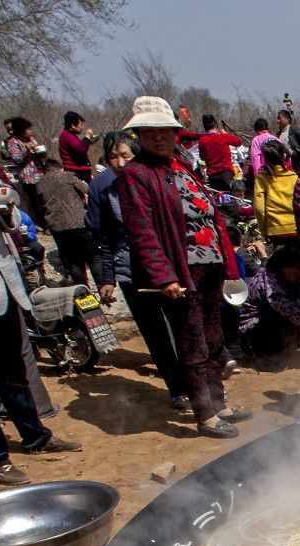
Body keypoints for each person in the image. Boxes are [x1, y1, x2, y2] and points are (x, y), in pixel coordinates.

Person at [118, 95, 251, 438]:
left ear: (175, 133)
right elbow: (142, 230)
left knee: (213, 336)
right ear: (140, 136)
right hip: (181, 271)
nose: (158, 137)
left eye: (164, 131)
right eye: (150, 132)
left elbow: (208, 211)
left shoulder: (181, 165)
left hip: (209, 264)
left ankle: (220, 403)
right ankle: (205, 414)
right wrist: (163, 275)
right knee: (192, 343)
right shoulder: (137, 174)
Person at [87, 131, 191, 409]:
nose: (119, 162)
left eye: (125, 155)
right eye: (112, 157)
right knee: (154, 334)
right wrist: (107, 278)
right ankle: (176, 388)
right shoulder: (105, 190)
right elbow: (106, 240)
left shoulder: (156, 180)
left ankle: (198, 384)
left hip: (167, 268)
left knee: (183, 328)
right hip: (130, 273)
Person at [0, 189, 81, 486]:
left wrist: (8, 210)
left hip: (6, 292)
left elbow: (15, 213)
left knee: (15, 372)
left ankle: (35, 436)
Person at [238, 243, 300, 359]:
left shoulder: (276, 275)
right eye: (298, 268)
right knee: (281, 317)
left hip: (260, 327)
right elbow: (297, 316)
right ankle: (266, 356)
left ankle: (285, 349)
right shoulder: (271, 286)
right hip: (251, 333)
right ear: (285, 267)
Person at [37, 159, 92, 284]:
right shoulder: (68, 176)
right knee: (94, 257)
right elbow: (87, 190)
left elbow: (40, 207)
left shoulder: (40, 183)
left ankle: (83, 289)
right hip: (78, 223)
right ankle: (102, 287)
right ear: (60, 167)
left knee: (72, 262)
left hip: (57, 227)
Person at [252, 139, 298, 248]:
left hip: (275, 230)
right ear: (283, 156)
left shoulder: (262, 177)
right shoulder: (293, 176)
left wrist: (264, 231)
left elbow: (259, 208)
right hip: (295, 228)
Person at [5, 117, 48, 227]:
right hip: (27, 176)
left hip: (39, 172)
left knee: (44, 199)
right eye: (28, 129)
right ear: (21, 130)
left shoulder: (31, 139)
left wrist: (40, 152)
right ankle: (41, 224)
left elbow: (38, 152)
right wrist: (27, 150)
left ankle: (48, 220)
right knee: (34, 202)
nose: (30, 131)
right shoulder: (12, 142)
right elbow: (17, 159)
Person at [198, 115, 243, 191]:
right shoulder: (223, 136)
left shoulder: (202, 140)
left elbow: (202, 157)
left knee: (217, 198)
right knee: (230, 198)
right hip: (226, 173)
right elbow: (238, 142)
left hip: (212, 176)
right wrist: (226, 133)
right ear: (215, 124)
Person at [57, 111, 98, 183]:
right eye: (81, 125)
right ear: (73, 125)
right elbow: (81, 150)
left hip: (81, 172)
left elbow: (79, 147)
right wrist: (87, 136)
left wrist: (89, 141)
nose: (82, 127)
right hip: (76, 172)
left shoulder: (72, 135)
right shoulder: (66, 135)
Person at [247, 118, 281, 182]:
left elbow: (255, 158)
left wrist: (258, 176)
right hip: (278, 170)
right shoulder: (274, 138)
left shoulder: (256, 140)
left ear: (256, 129)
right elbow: (283, 152)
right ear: (267, 127)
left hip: (265, 172)